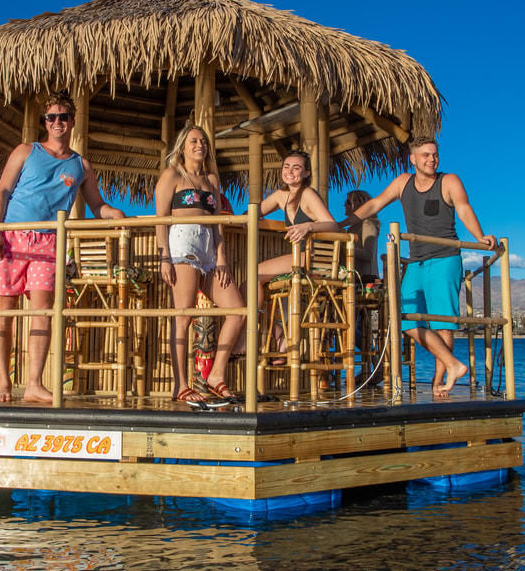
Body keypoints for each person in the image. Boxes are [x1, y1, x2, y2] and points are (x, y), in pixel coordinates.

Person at [0, 92, 124, 403]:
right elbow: (2, 192)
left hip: (49, 241)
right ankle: (4, 384)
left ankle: (34, 383)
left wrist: (116, 214)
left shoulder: (80, 165)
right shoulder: (26, 151)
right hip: (12, 237)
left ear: (73, 121)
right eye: (52, 117)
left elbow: (97, 204)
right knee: (4, 313)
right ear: (45, 122)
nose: (58, 122)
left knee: (43, 313)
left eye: (63, 116)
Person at [341, 136, 496, 397]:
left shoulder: (449, 181)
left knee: (441, 323)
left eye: (434, 154)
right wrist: (340, 224)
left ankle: (440, 381)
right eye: (425, 155)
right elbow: (376, 203)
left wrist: (480, 236)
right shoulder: (403, 183)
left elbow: (464, 208)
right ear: (413, 159)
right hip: (415, 262)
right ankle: (453, 365)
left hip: (445, 259)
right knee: (404, 319)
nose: (431, 159)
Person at [155, 124, 245, 404]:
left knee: (237, 310)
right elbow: (160, 219)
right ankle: (180, 384)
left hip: (208, 245)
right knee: (183, 317)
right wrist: (165, 256)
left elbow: (218, 224)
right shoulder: (172, 175)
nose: (199, 145)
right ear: (182, 146)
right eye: (193, 140)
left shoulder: (212, 180)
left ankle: (216, 374)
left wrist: (222, 260)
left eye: (203, 141)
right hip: (182, 242)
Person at [243, 150, 340, 364]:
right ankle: (279, 336)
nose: (290, 171)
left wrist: (309, 226)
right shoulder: (281, 196)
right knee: (253, 283)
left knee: (254, 275)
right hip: (300, 256)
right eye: (286, 166)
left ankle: (251, 338)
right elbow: (252, 214)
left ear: (306, 173)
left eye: (296, 168)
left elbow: (334, 225)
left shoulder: (308, 194)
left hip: (315, 258)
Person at [344, 189, 380, 282]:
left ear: (359, 205)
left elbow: (368, 254)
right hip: (355, 278)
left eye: (348, 202)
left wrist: (345, 248)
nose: (344, 205)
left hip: (365, 280)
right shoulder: (353, 227)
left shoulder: (368, 224)